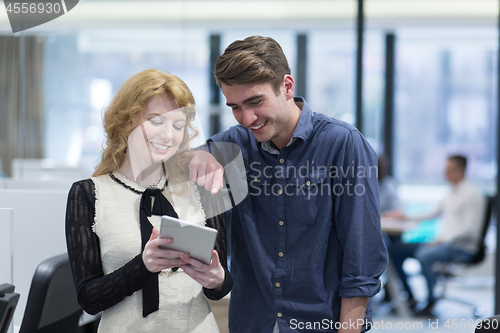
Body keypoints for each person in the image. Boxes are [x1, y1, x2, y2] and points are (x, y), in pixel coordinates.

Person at [191, 35, 388, 333]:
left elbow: (362, 257)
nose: (247, 118)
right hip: (253, 321)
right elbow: (188, 160)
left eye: (256, 102)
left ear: (286, 86)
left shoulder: (342, 143)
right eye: (235, 107)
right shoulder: (237, 142)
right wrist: (199, 158)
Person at [65, 69, 232, 333]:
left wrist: (217, 279)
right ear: (127, 121)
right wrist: (143, 266)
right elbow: (89, 299)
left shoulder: (202, 187)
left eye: (178, 126)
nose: (168, 135)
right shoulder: (88, 194)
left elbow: (219, 286)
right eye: (156, 121)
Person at [390, 155, 486, 317]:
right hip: (442, 243)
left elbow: (470, 229)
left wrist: (441, 241)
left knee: (424, 255)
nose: (445, 173)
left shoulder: (472, 195)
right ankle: (409, 297)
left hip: (460, 247)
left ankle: (430, 302)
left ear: (461, 170)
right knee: (395, 252)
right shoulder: (451, 192)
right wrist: (405, 216)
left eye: (449, 170)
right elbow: (432, 213)